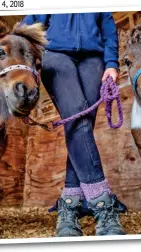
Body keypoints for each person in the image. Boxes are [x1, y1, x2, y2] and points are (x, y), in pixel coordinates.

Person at [21, 13, 125, 236]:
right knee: (78, 120)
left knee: (81, 127)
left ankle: (69, 206)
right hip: (56, 55)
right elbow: (27, 25)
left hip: (94, 60)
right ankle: (103, 206)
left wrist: (111, 64)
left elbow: (109, 32)